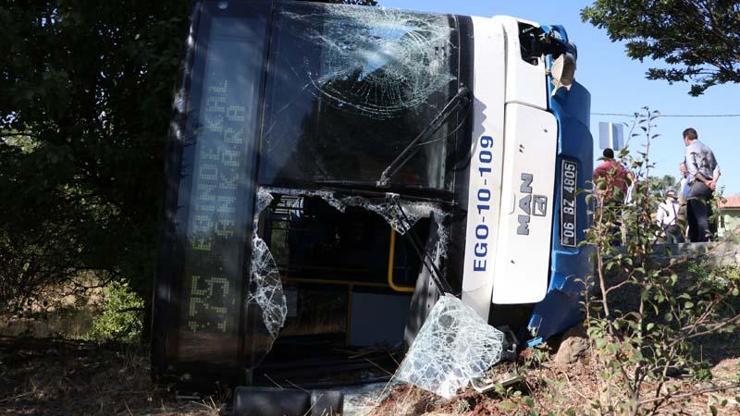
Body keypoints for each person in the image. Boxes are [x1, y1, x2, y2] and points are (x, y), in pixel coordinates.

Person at [682, 128, 720, 242]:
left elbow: (692, 169)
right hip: (709, 187)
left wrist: (705, 181)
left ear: (686, 138)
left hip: (699, 184)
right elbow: (717, 168)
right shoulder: (707, 149)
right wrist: (713, 181)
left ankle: (701, 242)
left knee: (697, 216)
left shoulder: (690, 148)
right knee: (705, 211)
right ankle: (704, 238)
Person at [593, 148, 631, 244]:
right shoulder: (621, 167)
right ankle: (616, 244)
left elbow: (595, 176)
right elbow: (628, 180)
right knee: (616, 221)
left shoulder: (603, 166)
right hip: (619, 198)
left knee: (606, 221)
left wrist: (600, 190)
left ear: (604, 157)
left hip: (607, 197)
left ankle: (606, 244)